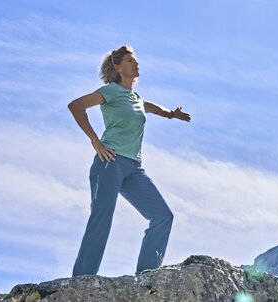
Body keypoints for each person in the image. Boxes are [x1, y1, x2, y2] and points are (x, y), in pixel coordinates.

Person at [68, 45, 191, 277]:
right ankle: (81, 281)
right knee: (101, 221)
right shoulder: (111, 91)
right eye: (129, 61)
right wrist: (96, 142)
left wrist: (171, 114)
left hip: (134, 169)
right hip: (109, 162)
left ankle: (146, 277)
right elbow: (76, 106)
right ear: (117, 67)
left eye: (135, 61)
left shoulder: (136, 98)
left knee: (163, 216)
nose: (135, 64)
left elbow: (153, 108)